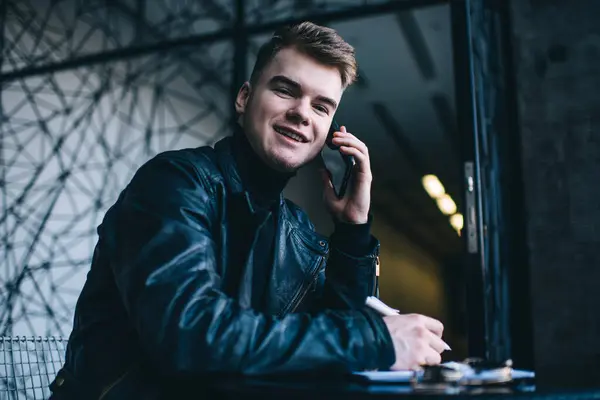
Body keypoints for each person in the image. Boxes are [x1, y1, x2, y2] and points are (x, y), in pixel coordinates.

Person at [49, 21, 447, 399]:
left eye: (322, 107)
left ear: (329, 132)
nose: (302, 113)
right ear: (244, 97)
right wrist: (374, 340)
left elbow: (332, 340)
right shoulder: (174, 183)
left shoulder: (295, 229)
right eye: (286, 90)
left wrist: (352, 231)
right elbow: (187, 335)